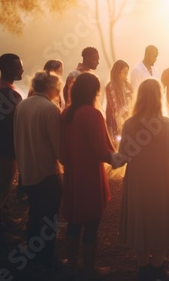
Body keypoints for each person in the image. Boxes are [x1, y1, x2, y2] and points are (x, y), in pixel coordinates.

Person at [117, 79, 169, 281]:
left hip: (137, 182)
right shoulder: (166, 124)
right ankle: (158, 267)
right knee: (160, 220)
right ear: (159, 97)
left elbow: (122, 157)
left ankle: (143, 269)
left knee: (140, 219)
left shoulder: (130, 124)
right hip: (162, 181)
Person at [60, 72, 117, 279]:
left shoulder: (66, 113)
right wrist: (123, 158)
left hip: (72, 174)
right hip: (90, 176)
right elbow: (103, 152)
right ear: (94, 92)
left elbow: (61, 149)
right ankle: (89, 268)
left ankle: (72, 263)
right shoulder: (93, 115)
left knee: (74, 221)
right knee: (92, 222)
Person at [14, 71, 63, 270]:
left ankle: (32, 255)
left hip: (27, 169)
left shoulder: (22, 105)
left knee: (34, 215)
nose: (59, 91)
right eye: (58, 87)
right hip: (48, 173)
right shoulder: (50, 109)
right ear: (51, 87)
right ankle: (47, 259)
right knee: (50, 219)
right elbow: (59, 148)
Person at [0, 53, 24, 232]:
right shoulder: (6, 92)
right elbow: (13, 123)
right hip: (6, 148)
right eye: (18, 67)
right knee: (0, 187)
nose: (22, 70)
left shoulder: (0, 87)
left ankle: (4, 217)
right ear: (8, 69)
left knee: (3, 184)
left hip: (2, 146)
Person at [105, 59, 133, 143]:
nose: (126, 75)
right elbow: (115, 107)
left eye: (127, 72)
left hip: (127, 118)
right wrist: (120, 125)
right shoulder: (111, 86)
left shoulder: (126, 85)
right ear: (118, 72)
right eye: (124, 72)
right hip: (115, 121)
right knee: (116, 144)